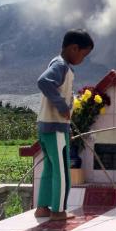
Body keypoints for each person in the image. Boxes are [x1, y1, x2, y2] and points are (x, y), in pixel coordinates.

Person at [34, 29, 93, 221]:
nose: (83, 59)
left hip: (45, 127)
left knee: (49, 169)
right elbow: (43, 81)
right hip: (56, 128)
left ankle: (42, 207)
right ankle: (58, 211)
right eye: (83, 54)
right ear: (74, 48)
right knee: (62, 171)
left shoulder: (58, 63)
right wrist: (62, 106)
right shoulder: (61, 66)